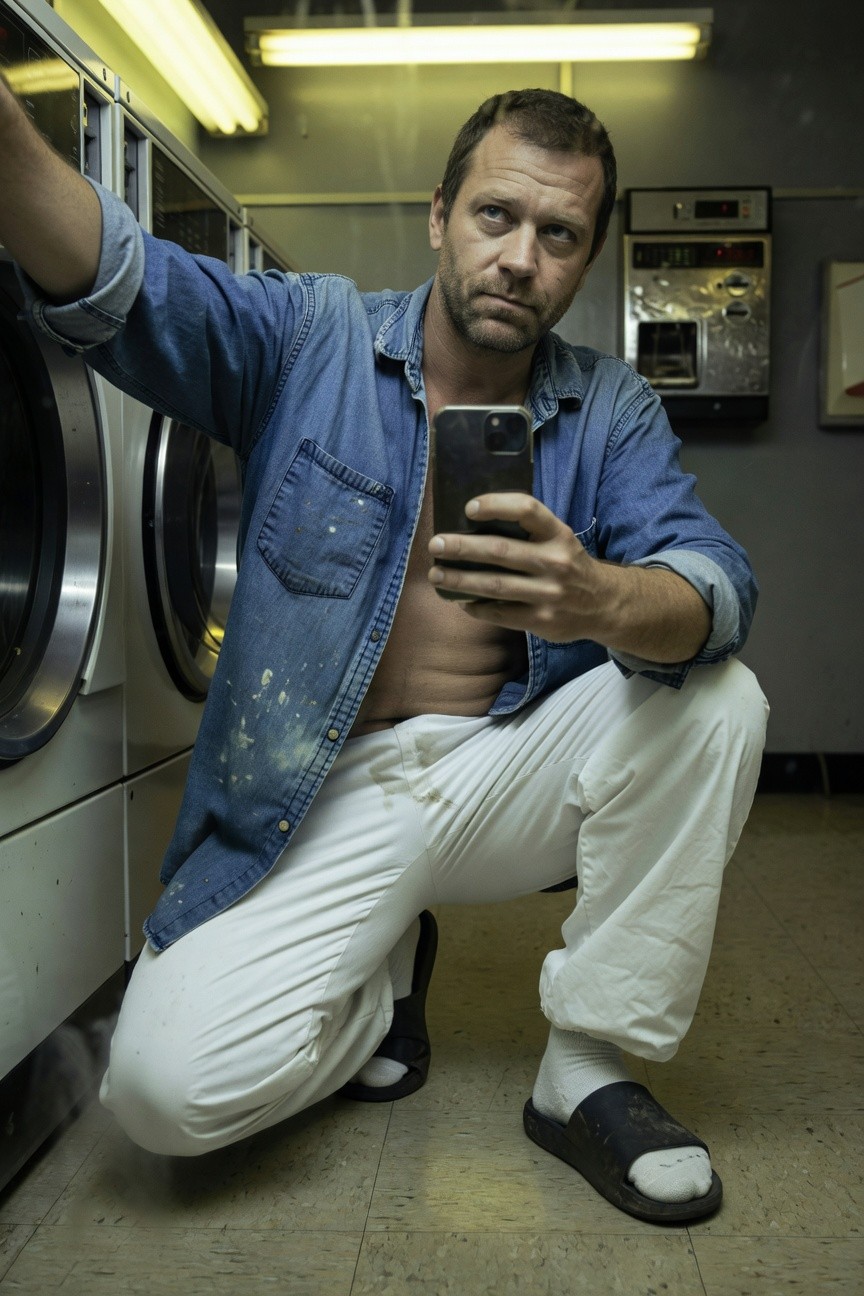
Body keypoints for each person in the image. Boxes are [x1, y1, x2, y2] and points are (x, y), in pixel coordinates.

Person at [0, 79, 768, 1225]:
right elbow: (120, 282)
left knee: (719, 695)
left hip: (500, 772)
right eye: (496, 216)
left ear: (587, 258)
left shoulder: (609, 410)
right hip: (317, 798)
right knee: (162, 1098)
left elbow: (716, 581)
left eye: (559, 235)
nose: (520, 258)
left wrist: (598, 597)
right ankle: (377, 983)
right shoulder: (305, 335)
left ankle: (589, 1069)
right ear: (439, 215)